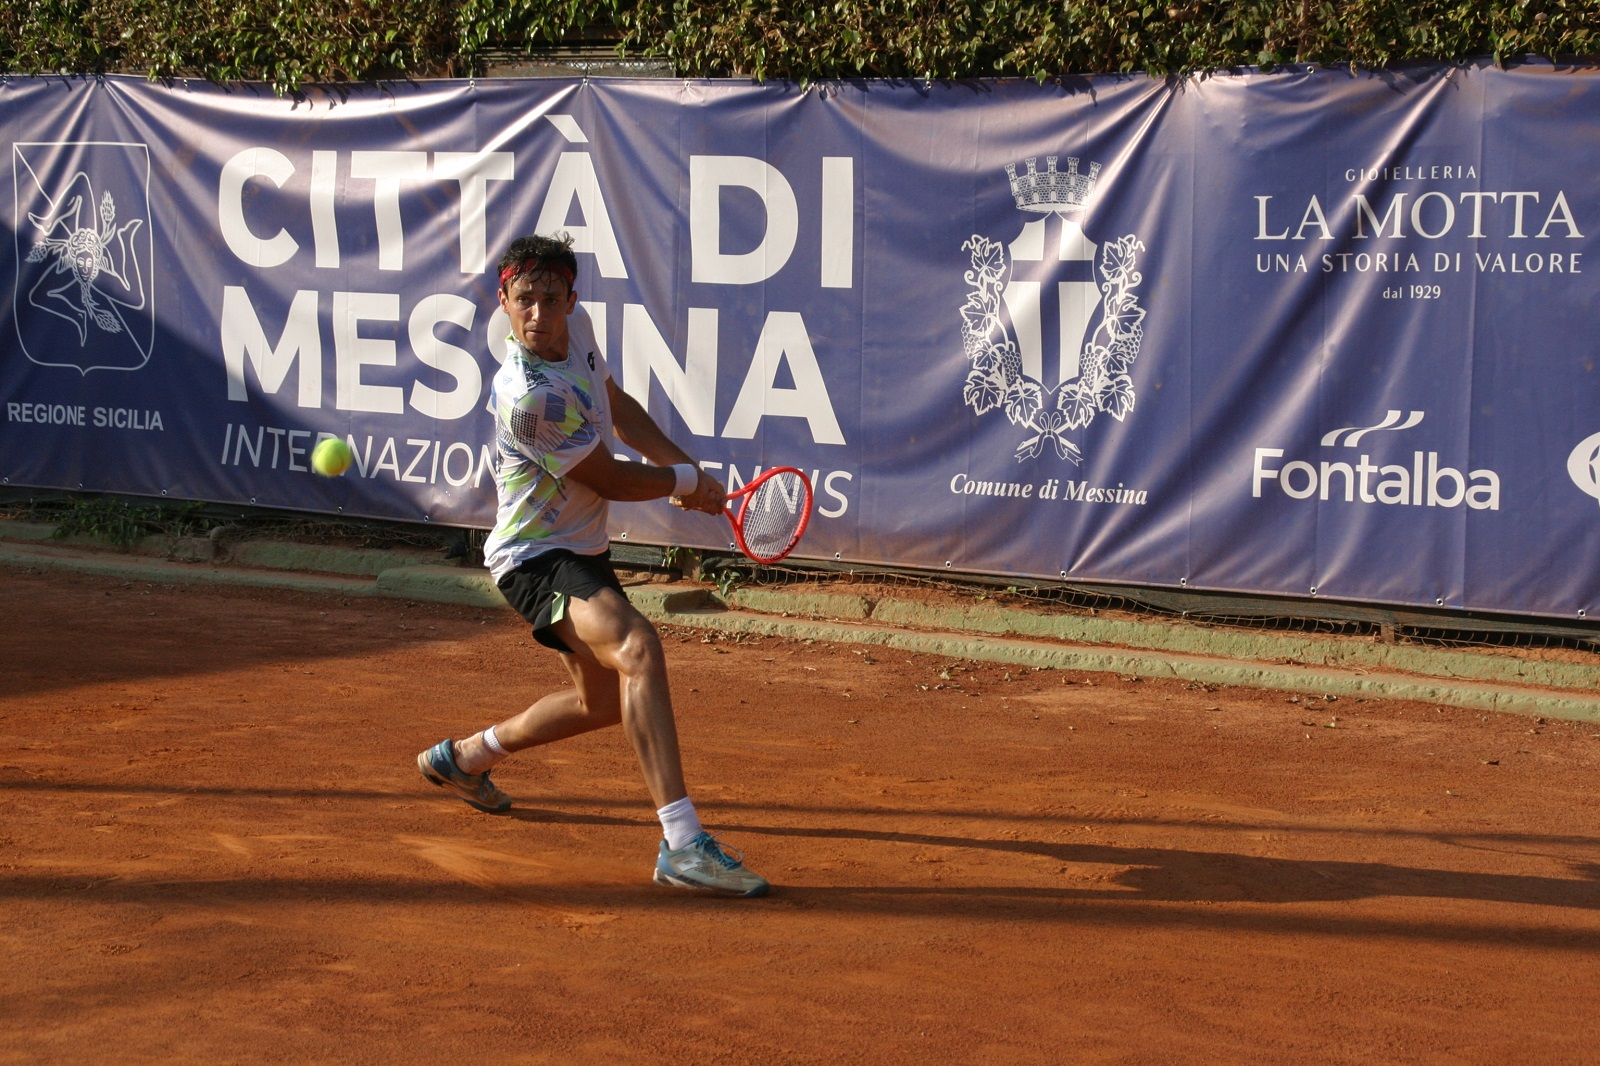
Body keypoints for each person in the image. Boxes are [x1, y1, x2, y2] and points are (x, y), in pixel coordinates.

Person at [416, 233, 768, 897]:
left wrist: (685, 468)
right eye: (524, 300)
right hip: (535, 558)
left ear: (571, 301)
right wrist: (683, 482)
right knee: (638, 647)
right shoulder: (529, 397)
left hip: (582, 550)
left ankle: (464, 757)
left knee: (599, 703)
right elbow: (605, 477)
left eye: (551, 300)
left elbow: (617, 406)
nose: (538, 315)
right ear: (503, 302)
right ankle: (683, 845)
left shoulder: (575, 336)